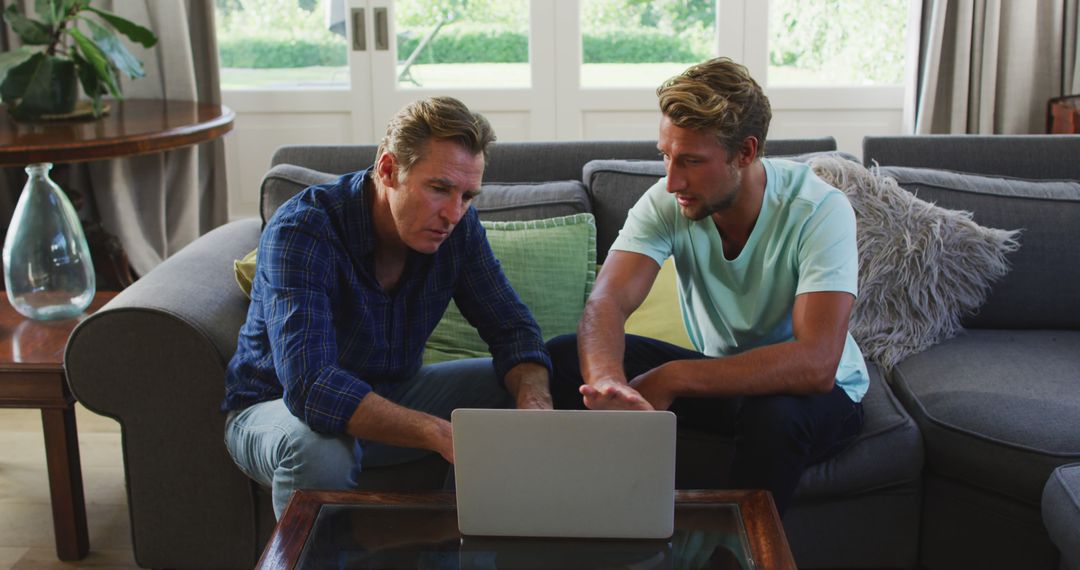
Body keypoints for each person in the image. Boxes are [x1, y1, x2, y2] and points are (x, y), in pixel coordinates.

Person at [547, 58, 867, 515]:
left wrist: (671, 377)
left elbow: (815, 363)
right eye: (666, 155)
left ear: (746, 152)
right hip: (726, 380)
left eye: (692, 161)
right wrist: (610, 389)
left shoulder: (818, 210)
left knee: (774, 416)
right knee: (561, 358)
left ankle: (733, 557)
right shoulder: (669, 199)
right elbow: (608, 301)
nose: (672, 179)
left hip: (819, 394)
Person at [223, 96, 553, 518]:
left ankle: (469, 546)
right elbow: (311, 387)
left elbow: (513, 330)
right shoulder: (304, 228)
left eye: (468, 195)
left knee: (514, 386)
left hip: (392, 393)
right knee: (319, 445)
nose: (453, 213)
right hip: (275, 408)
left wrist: (535, 403)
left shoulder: (458, 229)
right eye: (438, 189)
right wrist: (438, 433)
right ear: (388, 169)